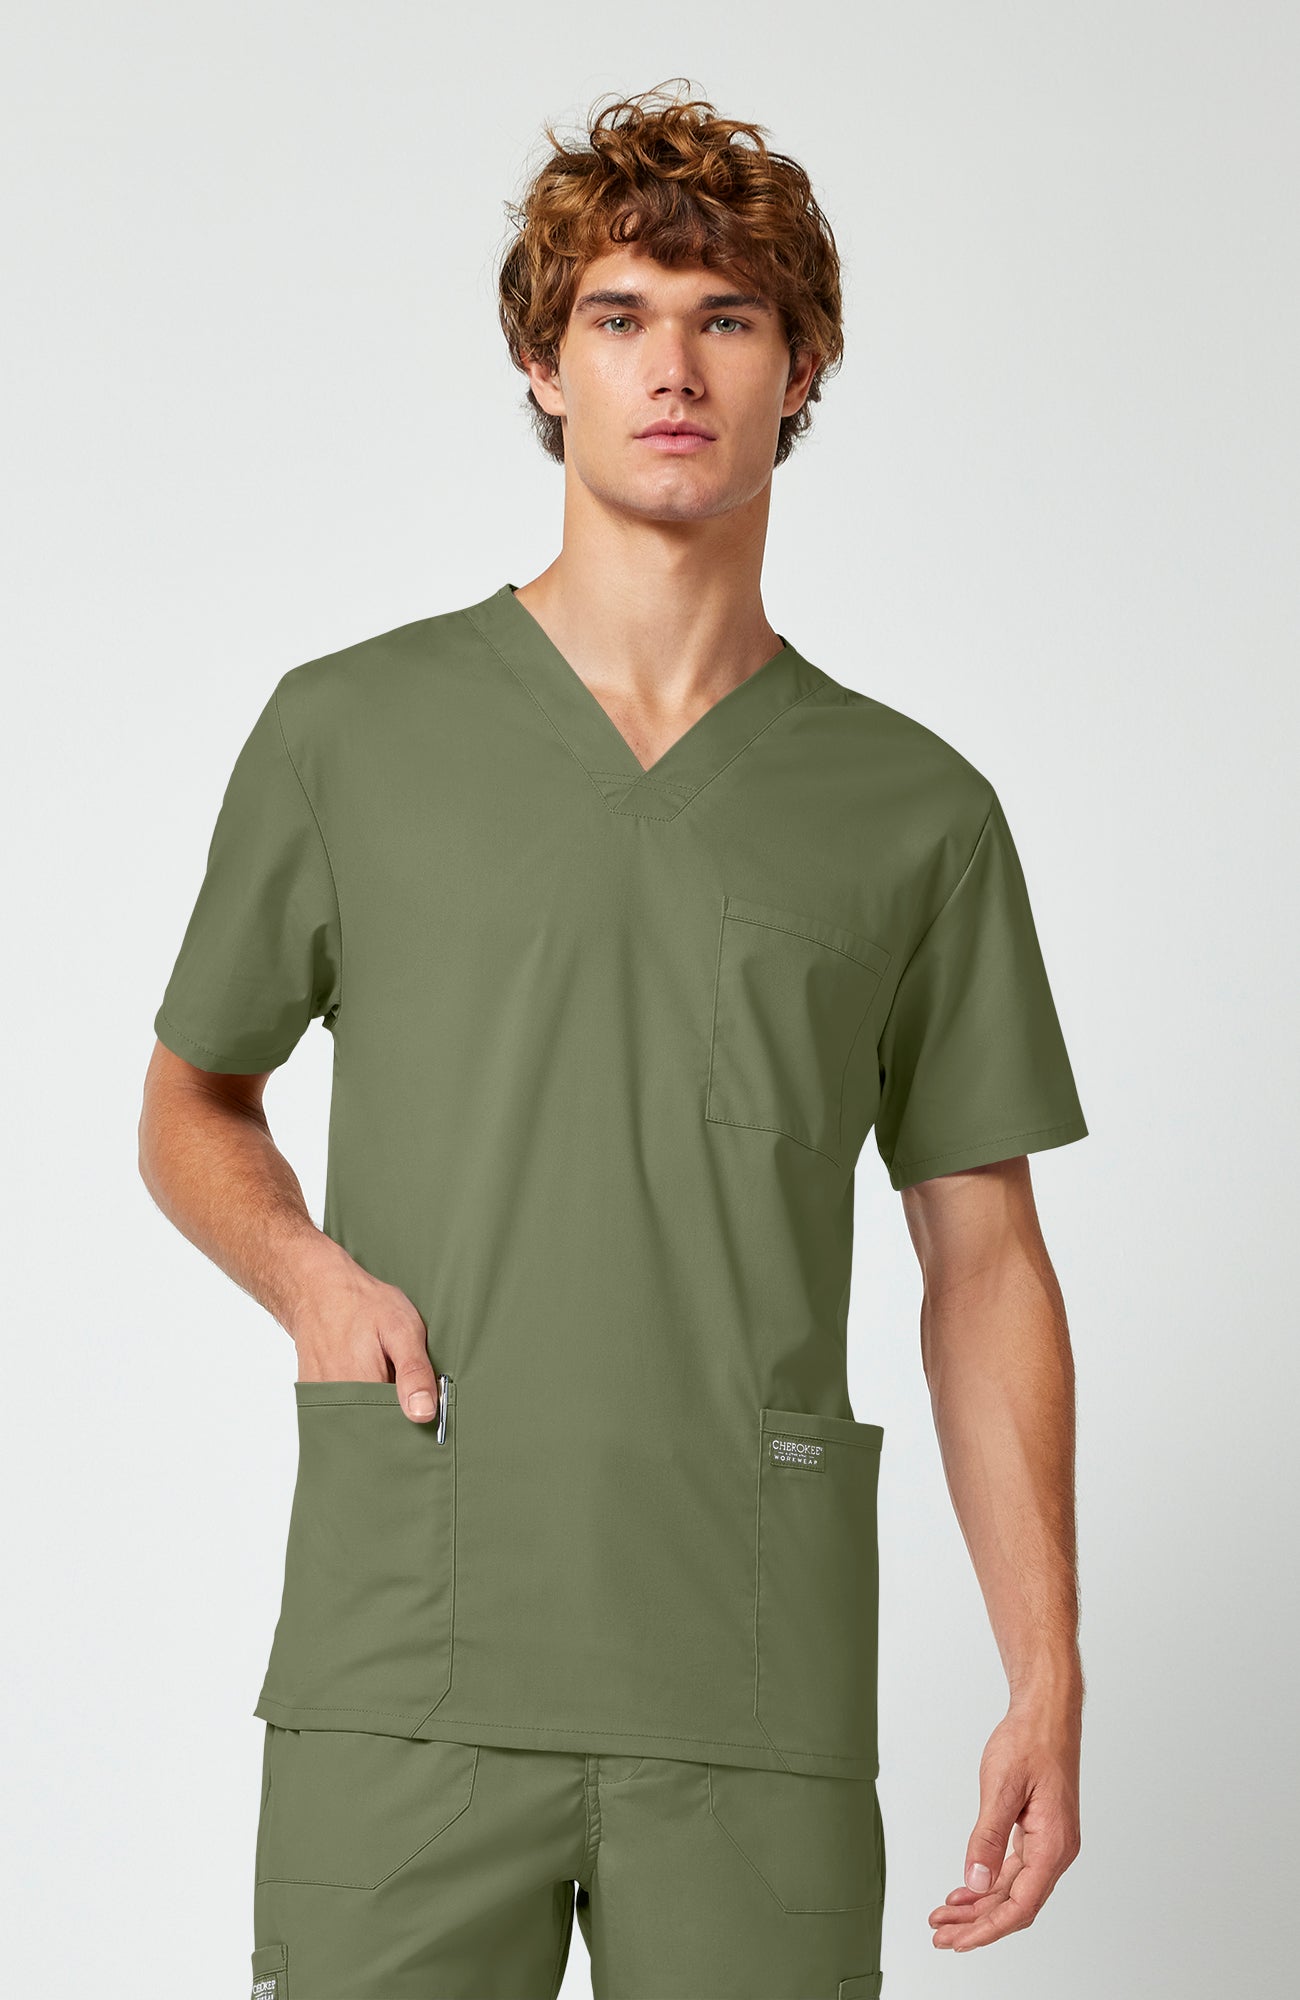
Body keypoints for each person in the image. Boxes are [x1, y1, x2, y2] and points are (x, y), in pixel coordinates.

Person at [139, 80, 1088, 2000]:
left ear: (800, 368)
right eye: (620, 315)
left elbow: (984, 1258)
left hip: (749, 1677)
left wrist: (1047, 1672)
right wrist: (310, 1278)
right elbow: (191, 1102)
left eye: (728, 317)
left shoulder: (915, 814)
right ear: (542, 361)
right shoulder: (349, 735)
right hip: (407, 1656)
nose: (674, 367)